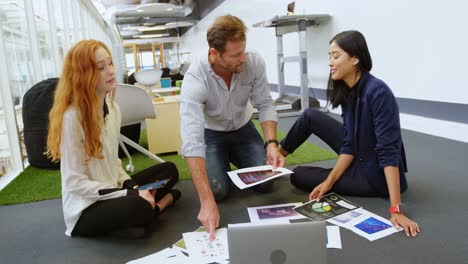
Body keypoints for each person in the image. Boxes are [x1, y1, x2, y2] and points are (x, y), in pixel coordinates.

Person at [279, 30, 420, 237]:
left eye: (335, 56)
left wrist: (396, 209)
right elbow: (349, 145)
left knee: (298, 176)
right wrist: (329, 182)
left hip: (374, 176)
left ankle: (344, 177)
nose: (330, 62)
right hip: (359, 154)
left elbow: (389, 151)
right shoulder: (348, 91)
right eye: (329, 56)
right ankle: (276, 160)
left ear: (355, 58)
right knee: (310, 115)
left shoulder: (378, 92)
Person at [46, 40, 181, 237]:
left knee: (169, 170)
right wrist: (132, 194)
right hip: (86, 208)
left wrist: (132, 186)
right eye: (101, 67)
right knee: (138, 206)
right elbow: (74, 182)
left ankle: (150, 204)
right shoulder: (72, 118)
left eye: (110, 63)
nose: (110, 71)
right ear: (83, 75)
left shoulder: (113, 109)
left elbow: (115, 163)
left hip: (115, 190)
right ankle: (156, 207)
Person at [180, 15, 285, 240]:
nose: (243, 59)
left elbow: (265, 104)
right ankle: (221, 162)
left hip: (243, 128)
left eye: (243, 51)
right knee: (217, 191)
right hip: (212, 134)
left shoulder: (253, 63)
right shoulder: (195, 78)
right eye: (236, 55)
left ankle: (234, 158)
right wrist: (206, 202)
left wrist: (272, 144)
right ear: (215, 54)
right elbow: (192, 141)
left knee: (266, 184)